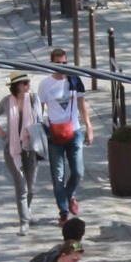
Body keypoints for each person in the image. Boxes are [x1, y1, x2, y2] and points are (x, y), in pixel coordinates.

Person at [38, 48, 93, 225]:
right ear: (52, 64)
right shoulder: (45, 85)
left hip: (74, 130)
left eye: (64, 63)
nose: (62, 67)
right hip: (55, 134)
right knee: (58, 176)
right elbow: (39, 110)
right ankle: (63, 210)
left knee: (78, 171)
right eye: (58, 63)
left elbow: (81, 104)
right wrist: (40, 130)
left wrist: (89, 127)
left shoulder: (74, 80)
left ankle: (69, 194)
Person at [0, 71, 42, 235]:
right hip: (12, 150)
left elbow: (40, 121)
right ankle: (24, 221)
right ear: (16, 86)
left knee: (31, 186)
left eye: (28, 82)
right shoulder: (7, 101)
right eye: (25, 83)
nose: (28, 85)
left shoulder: (34, 99)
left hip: (30, 148)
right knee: (21, 187)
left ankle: (26, 211)